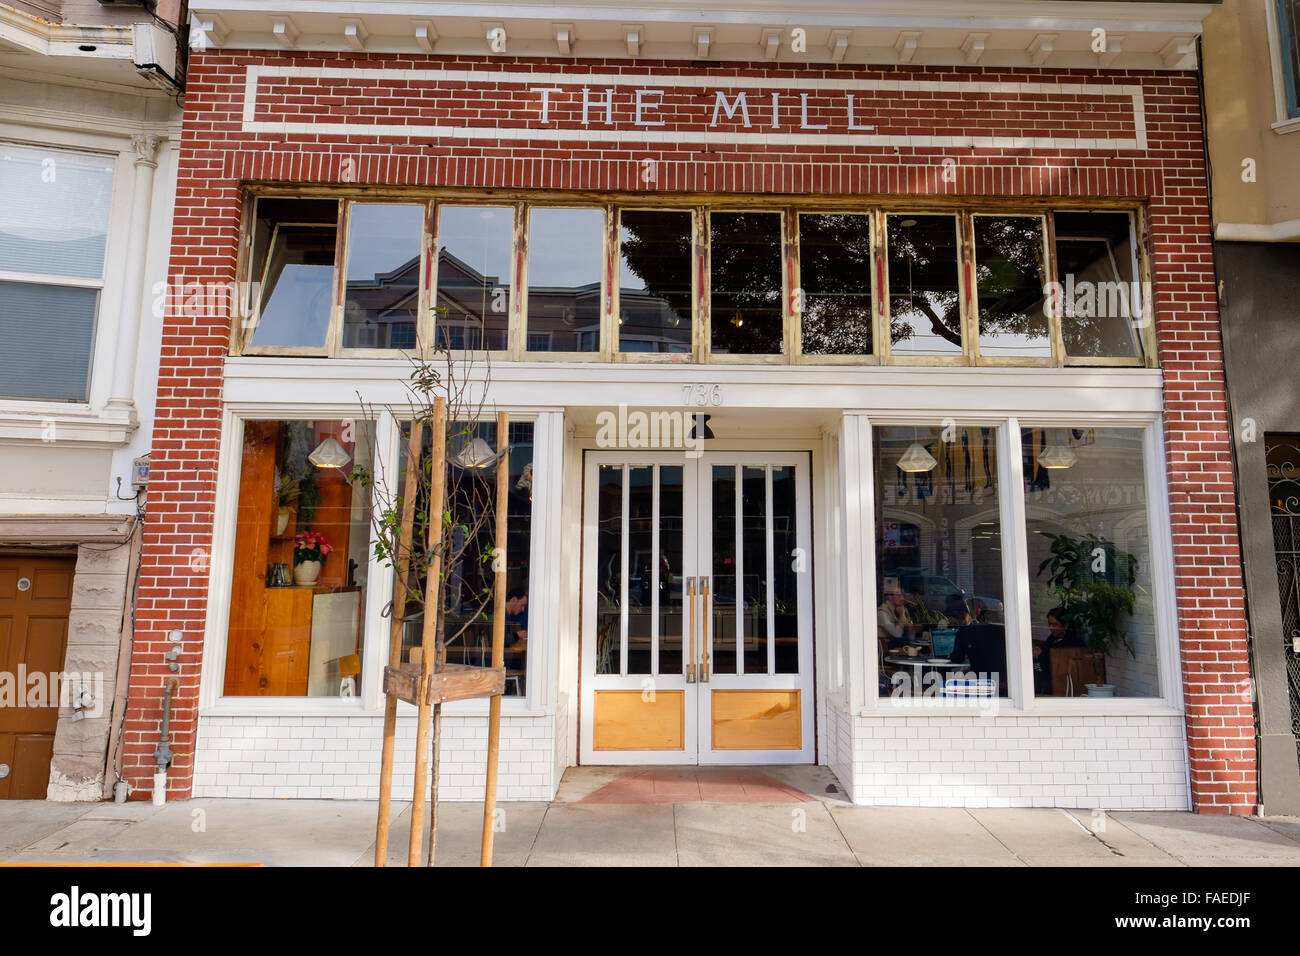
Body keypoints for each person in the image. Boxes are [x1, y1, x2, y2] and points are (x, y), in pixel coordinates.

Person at [878, 582, 914, 649]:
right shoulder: (882, 613)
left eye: (903, 596)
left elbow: (911, 637)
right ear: (890, 597)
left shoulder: (896, 610)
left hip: (898, 649)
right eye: (899, 596)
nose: (902, 598)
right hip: (886, 651)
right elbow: (897, 634)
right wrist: (901, 615)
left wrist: (908, 616)